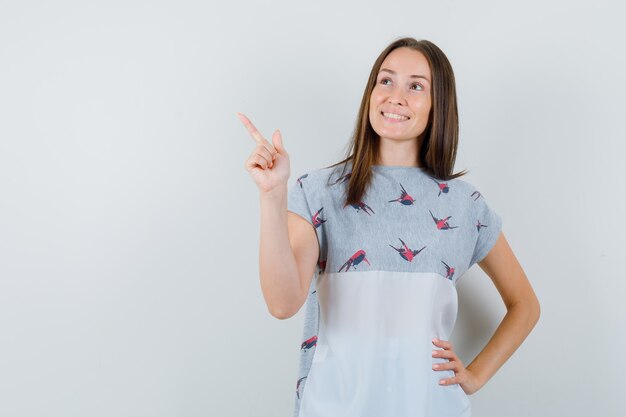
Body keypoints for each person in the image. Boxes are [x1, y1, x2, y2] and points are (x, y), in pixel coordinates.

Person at [238, 37, 540, 417]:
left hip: (430, 407)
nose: (396, 96)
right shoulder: (317, 192)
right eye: (385, 81)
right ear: (370, 93)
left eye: (416, 86)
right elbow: (282, 304)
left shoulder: (465, 205)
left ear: (438, 104)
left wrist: (476, 375)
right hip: (335, 405)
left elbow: (525, 305)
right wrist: (271, 194)